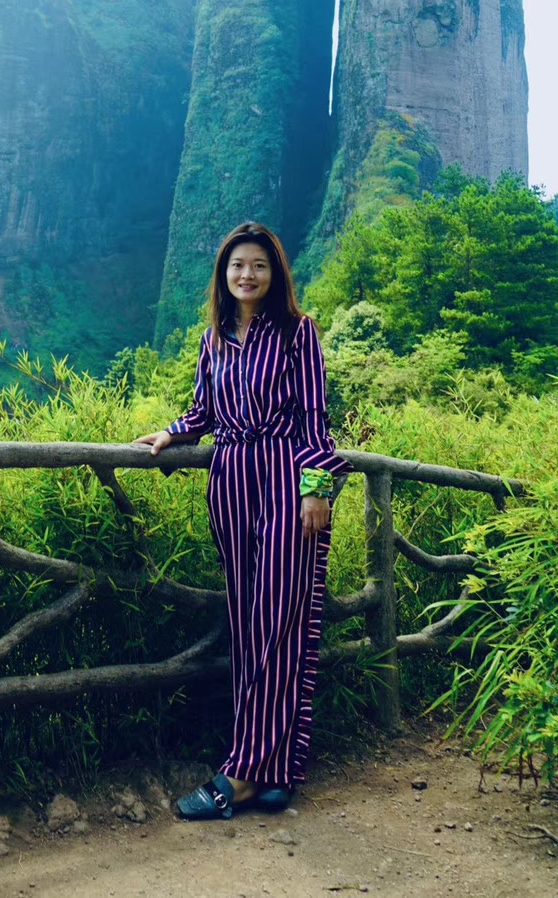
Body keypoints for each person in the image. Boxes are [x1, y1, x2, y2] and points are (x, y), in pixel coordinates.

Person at [134, 221, 348, 820]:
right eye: (236, 266)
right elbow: (204, 409)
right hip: (229, 480)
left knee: (279, 619)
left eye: (258, 264)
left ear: (274, 273)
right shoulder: (214, 339)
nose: (246, 274)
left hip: (284, 477)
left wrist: (315, 489)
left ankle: (241, 772)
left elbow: (314, 421)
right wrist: (174, 432)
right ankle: (278, 772)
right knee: (250, 625)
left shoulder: (299, 334)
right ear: (223, 277)